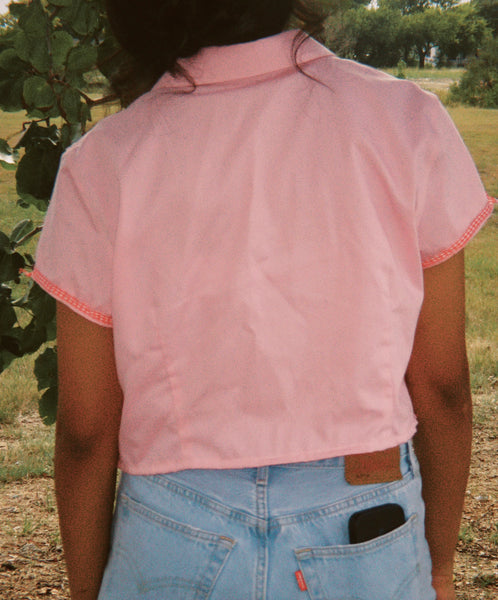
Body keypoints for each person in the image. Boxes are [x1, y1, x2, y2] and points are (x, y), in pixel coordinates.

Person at [31, 1, 496, 599]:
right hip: (365, 519)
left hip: (172, 526)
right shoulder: (407, 120)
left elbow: (86, 433)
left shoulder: (100, 161)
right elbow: (444, 388)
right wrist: (438, 569)